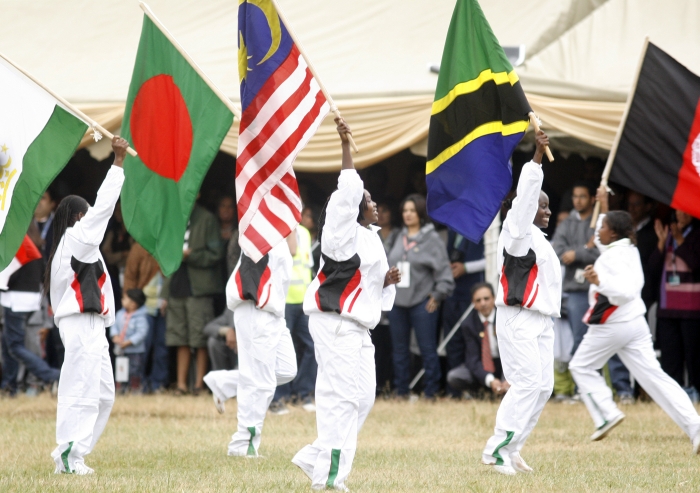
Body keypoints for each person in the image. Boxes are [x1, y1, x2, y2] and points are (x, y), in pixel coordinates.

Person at [292, 119, 400, 491]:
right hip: (336, 322)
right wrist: (346, 147)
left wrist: (384, 282)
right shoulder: (339, 229)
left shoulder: (370, 238)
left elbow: (364, 285)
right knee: (342, 400)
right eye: (368, 200)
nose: (373, 204)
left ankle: (314, 456)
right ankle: (330, 478)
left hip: (358, 327)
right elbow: (348, 189)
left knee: (363, 397)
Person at [569, 187, 700, 451]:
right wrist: (604, 204)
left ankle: (606, 413)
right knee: (656, 379)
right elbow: (602, 235)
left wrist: (599, 280)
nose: (598, 231)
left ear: (613, 233)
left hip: (612, 324)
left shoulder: (609, 260)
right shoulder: (627, 248)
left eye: (603, 226)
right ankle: (696, 428)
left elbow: (627, 291)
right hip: (635, 324)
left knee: (580, 367)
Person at [46, 136, 128, 475]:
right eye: (89, 215)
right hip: (81, 323)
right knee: (80, 389)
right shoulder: (78, 239)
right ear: (80, 217)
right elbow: (105, 206)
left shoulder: (76, 246)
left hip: (90, 325)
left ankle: (77, 452)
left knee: (103, 394)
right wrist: (118, 161)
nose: (94, 219)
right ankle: (68, 456)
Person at [481, 131, 561, 476]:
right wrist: (537, 157)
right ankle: (497, 450)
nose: (547, 210)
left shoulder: (540, 240)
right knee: (527, 384)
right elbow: (525, 198)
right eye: (541, 205)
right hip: (518, 317)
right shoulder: (516, 233)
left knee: (543, 386)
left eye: (546, 205)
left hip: (542, 320)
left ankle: (513, 449)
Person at [202, 236, 297, 456]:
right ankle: (242, 445)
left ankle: (223, 382)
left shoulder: (282, 231)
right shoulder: (259, 225)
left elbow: (293, 248)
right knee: (260, 382)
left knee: (286, 369)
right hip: (257, 308)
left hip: (274, 312)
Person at [552, 181, 633, 403]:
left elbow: (602, 252)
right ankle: (587, 390)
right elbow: (556, 250)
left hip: (603, 290)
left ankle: (622, 389)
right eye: (575, 196)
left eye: (583, 196)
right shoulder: (566, 223)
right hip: (576, 291)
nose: (578, 200)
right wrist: (582, 251)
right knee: (581, 340)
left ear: (591, 199)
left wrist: (578, 253)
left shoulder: (601, 221)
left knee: (612, 338)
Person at [386, 194, 454, 399]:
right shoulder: (397, 235)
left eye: (412, 211)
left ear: (421, 213)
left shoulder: (431, 238)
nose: (407, 214)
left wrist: (437, 295)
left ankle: (431, 392)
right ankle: (401, 392)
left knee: (427, 348)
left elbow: (444, 273)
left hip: (422, 302)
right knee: (399, 350)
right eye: (405, 211)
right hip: (397, 302)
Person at [166, 200, 224, 395]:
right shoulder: (172, 215)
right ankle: (181, 385)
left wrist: (191, 255)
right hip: (176, 287)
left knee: (199, 338)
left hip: (199, 288)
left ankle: (199, 385)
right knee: (179, 337)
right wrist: (164, 294)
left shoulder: (207, 219)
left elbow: (216, 254)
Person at [1, 233, 60, 397]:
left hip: (15, 299)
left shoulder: (15, 242)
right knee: (8, 343)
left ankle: (52, 375)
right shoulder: (32, 244)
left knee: (14, 345)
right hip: (32, 298)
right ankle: (9, 385)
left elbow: (9, 274)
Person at [650, 209, 700, 397]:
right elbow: (653, 267)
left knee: (694, 354)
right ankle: (673, 395)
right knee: (671, 355)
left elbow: (695, 263)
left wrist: (680, 240)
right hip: (667, 306)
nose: (681, 214)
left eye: (686, 211)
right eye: (679, 211)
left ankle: (696, 390)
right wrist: (662, 242)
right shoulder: (668, 233)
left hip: (691, 307)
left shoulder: (695, 233)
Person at [269, 223, 317, 414]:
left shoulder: (304, 232)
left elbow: (309, 267)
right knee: (280, 349)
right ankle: (277, 398)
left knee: (312, 346)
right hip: (284, 300)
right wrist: (290, 229)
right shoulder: (276, 229)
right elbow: (292, 250)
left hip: (303, 300)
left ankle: (302, 394)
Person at [443, 230, 485, 398]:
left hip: (475, 294)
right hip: (452, 293)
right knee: (453, 343)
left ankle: (477, 389)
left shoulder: (485, 225)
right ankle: (454, 391)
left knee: (473, 342)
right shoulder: (452, 229)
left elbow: (494, 258)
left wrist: (466, 267)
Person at [446, 283, 508, 397]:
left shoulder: (505, 318)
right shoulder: (468, 324)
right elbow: (472, 359)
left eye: (486, 299)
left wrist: (508, 378)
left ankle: (506, 390)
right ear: (473, 304)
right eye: (478, 300)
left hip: (505, 363)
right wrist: (490, 380)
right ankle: (481, 393)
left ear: (494, 299)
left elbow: (512, 353)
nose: (483, 303)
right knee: (454, 376)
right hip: (482, 366)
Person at [123, 243, 168, 393]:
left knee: (162, 346)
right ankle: (138, 383)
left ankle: (157, 384)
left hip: (165, 306)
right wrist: (129, 301)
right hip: (143, 307)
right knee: (142, 348)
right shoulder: (139, 247)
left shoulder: (170, 245)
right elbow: (130, 276)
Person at [110, 289, 149, 392]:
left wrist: (129, 342)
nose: (122, 300)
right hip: (121, 350)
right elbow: (114, 326)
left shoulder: (141, 318)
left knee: (134, 370)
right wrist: (115, 336)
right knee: (120, 369)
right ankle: (120, 389)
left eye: (125, 298)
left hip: (135, 351)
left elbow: (141, 333)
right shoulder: (119, 314)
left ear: (133, 304)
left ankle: (134, 389)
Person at [626, 191, 657, 308]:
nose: (632, 208)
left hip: (646, 293)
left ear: (648, 206)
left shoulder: (655, 231)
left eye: (637, 204)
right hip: (626, 291)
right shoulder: (624, 229)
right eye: (629, 204)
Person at [203, 308, 237, 372]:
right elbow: (208, 327)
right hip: (234, 357)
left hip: (252, 359)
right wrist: (228, 331)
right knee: (213, 341)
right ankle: (220, 375)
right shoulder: (232, 309)